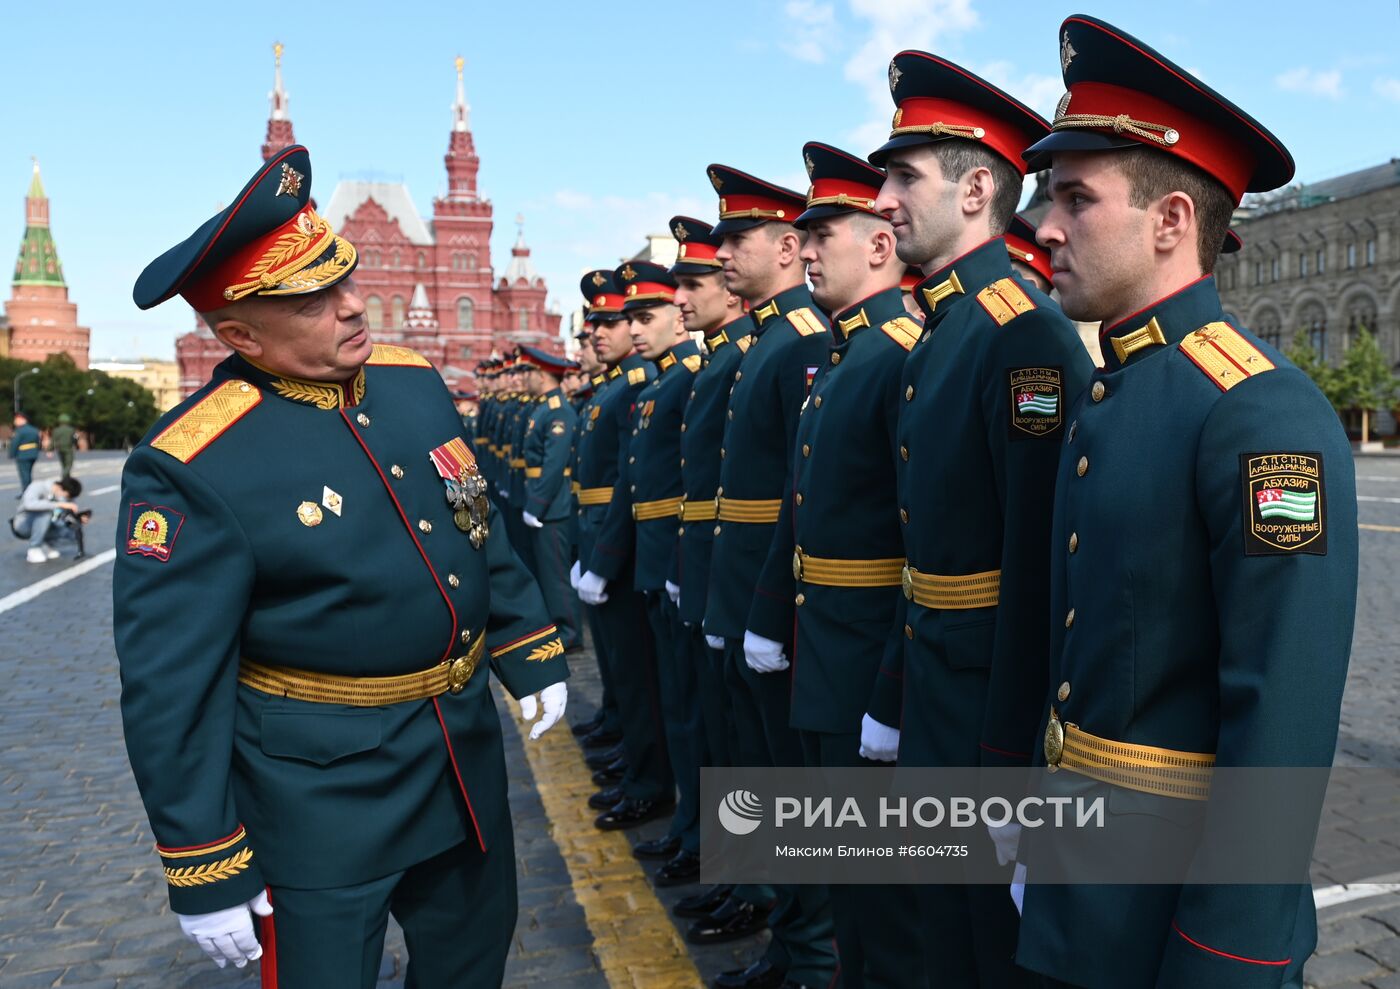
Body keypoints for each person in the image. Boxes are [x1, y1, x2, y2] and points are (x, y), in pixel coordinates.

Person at [115, 145, 569, 988]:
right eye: (313, 297)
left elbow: (474, 525)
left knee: (472, 963)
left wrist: (528, 643)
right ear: (241, 332)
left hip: (458, 759)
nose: (354, 306)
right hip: (317, 799)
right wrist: (201, 855)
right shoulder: (193, 462)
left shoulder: (411, 382)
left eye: (346, 278)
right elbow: (170, 681)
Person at [1014, 17, 1357, 988]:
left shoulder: (1256, 411)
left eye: (1074, 198)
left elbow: (1279, 721)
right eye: (1048, 195)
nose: (1042, 225)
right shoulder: (1112, 388)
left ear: (1168, 221)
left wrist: (1228, 950)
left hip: (1170, 918)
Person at [864, 50, 1094, 986]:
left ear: (977, 189)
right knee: (939, 939)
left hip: (984, 713)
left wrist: (1009, 767)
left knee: (984, 956)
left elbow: (1040, 573)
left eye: (903, 177)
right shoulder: (948, 329)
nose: (883, 199)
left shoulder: (1021, 334)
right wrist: (893, 691)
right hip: (935, 696)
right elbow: (922, 552)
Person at [788, 141, 928, 989]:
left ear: (879, 244)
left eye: (822, 234)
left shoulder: (898, 352)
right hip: (829, 646)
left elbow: (927, 543)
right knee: (852, 877)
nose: (803, 250)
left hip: (871, 646)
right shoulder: (848, 352)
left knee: (889, 892)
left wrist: (891, 686)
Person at [704, 162, 837, 989]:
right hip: (743, 581)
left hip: (784, 594)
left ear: (786, 247)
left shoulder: (802, 343)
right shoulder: (767, 340)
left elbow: (807, 494)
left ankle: (808, 948)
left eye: (735, 238)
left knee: (788, 786)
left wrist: (770, 608)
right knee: (751, 769)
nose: (722, 255)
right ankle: (788, 939)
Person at [667, 214, 759, 929]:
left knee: (759, 760)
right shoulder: (730, 359)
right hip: (718, 575)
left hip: (765, 591)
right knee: (723, 737)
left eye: (694, 281)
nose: (683, 298)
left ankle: (776, 910)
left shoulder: (768, 352)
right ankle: (742, 878)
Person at [604, 259, 704, 884]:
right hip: (672, 561)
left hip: (705, 571)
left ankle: (748, 881)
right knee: (689, 717)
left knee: (714, 729)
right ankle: (699, 839)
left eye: (648, 315)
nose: (632, 329)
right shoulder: (659, 385)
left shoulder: (694, 375)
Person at [574, 271, 672, 831]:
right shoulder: (617, 386)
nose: (606, 333)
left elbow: (631, 483)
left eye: (615, 322)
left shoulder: (638, 384)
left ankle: (648, 777)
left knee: (642, 681)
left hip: (633, 547)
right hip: (606, 537)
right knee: (627, 674)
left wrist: (604, 556)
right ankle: (639, 764)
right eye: (607, 322)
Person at [518, 345, 583, 652]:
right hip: (542, 499)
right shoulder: (544, 406)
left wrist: (537, 505)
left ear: (542, 375)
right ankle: (557, 625)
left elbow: (553, 465)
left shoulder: (558, 410)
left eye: (528, 372)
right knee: (547, 569)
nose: (524, 379)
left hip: (553, 505)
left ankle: (569, 631)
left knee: (557, 573)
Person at [12, 475, 83, 562]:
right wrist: (58, 504)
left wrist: (77, 519)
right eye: (66, 496)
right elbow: (29, 504)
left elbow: (62, 516)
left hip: (49, 524)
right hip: (23, 525)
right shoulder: (38, 486)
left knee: (73, 532)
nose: (66, 499)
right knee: (46, 512)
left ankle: (45, 545)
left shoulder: (64, 496)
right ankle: (34, 548)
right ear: (60, 488)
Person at [9, 413, 41, 491]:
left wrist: (11, 454)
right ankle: (30, 490)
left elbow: (15, 443)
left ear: (22, 420)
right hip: (33, 454)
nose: (15, 421)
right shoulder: (34, 430)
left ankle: (26, 492)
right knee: (29, 473)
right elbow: (38, 442)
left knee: (24, 474)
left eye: (16, 420)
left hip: (23, 455)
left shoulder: (20, 431)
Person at [51, 413, 78, 479]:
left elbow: (53, 440)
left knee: (63, 464)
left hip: (59, 448)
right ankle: (64, 475)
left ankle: (66, 478)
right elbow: (74, 439)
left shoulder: (56, 430)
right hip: (68, 448)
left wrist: (50, 449)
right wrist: (75, 444)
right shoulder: (71, 429)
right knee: (69, 464)